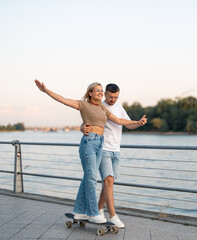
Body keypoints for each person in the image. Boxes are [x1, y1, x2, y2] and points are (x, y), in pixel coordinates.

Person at [34, 80, 147, 224]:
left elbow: (119, 120)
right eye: (98, 90)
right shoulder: (83, 104)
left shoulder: (102, 107)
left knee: (88, 177)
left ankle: (79, 211)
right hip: (89, 143)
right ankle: (93, 213)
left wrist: (137, 122)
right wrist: (47, 91)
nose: (100, 92)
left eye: (101, 90)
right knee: (92, 178)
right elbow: (63, 100)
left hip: (100, 143)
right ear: (90, 93)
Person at [81, 83, 146, 228]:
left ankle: (97, 210)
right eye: (111, 97)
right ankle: (113, 216)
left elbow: (127, 124)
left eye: (116, 97)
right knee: (108, 181)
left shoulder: (119, 107)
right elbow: (86, 122)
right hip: (102, 148)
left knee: (109, 183)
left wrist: (139, 123)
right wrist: (82, 127)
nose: (113, 100)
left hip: (116, 150)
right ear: (105, 94)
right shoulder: (99, 106)